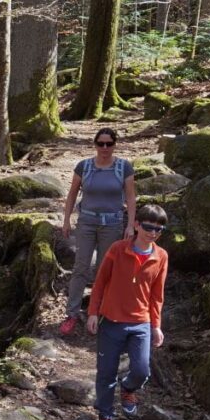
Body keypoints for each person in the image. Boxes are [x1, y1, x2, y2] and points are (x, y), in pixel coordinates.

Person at [86, 204, 169, 420]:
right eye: (148, 227)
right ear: (136, 225)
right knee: (106, 373)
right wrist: (93, 312)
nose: (153, 233)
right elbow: (100, 283)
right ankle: (105, 418)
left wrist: (156, 325)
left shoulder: (161, 256)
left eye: (159, 229)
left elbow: (157, 294)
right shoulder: (117, 249)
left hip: (141, 322)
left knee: (142, 369)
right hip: (111, 321)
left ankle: (129, 389)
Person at [60, 128, 136, 336]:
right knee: (81, 267)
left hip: (112, 224)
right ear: (95, 144)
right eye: (100, 143)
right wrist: (66, 220)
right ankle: (72, 313)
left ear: (114, 145)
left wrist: (130, 225)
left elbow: (130, 198)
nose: (104, 148)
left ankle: (100, 313)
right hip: (86, 222)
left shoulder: (123, 167)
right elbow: (72, 194)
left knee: (106, 270)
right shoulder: (84, 167)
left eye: (109, 144)